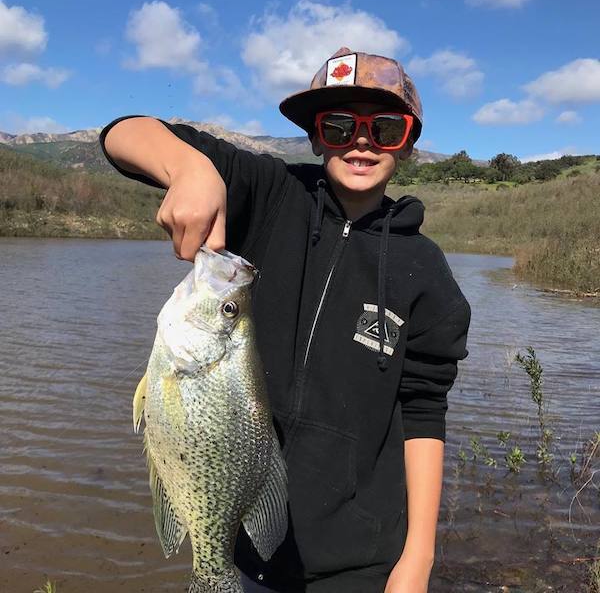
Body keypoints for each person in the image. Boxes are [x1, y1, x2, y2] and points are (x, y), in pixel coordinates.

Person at [100, 46, 471, 593]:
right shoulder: (270, 194)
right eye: (339, 126)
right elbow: (121, 135)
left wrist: (417, 559)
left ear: (409, 143)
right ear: (317, 137)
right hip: (243, 549)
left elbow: (423, 411)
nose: (361, 140)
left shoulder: (426, 271)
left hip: (363, 564)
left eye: (385, 127)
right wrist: (191, 168)